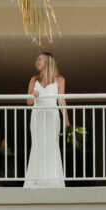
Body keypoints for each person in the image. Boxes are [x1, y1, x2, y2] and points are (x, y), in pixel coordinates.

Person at [23, 51, 69, 187]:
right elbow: (28, 102)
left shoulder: (59, 80)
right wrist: (33, 95)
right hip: (37, 118)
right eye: (36, 59)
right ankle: (35, 180)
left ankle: (53, 181)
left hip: (52, 118)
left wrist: (66, 119)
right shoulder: (34, 80)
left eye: (40, 59)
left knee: (51, 145)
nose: (37, 61)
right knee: (37, 145)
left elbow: (61, 100)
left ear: (48, 62)